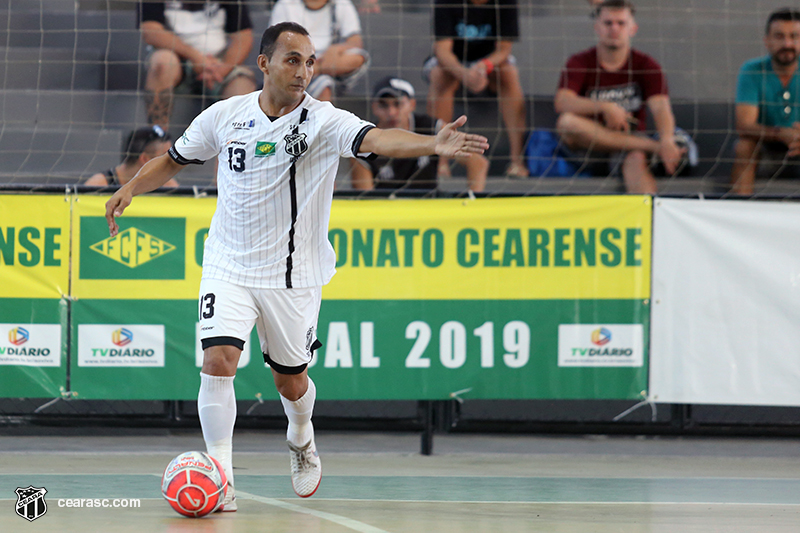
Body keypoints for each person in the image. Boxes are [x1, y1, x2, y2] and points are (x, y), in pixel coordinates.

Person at [104, 22, 487, 509]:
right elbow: (174, 159)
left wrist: (431, 144)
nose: (304, 70)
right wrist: (132, 187)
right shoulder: (225, 116)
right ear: (264, 63)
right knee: (218, 361)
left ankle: (301, 434)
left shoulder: (323, 121)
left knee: (290, 379)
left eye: (309, 61)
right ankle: (221, 476)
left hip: (292, 277)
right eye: (292, 59)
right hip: (228, 265)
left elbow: (378, 139)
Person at [554, 0, 683, 194]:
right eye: (608, 23)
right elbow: (562, 102)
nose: (614, 29)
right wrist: (606, 107)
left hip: (628, 147)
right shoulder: (579, 61)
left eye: (621, 23)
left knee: (636, 160)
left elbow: (661, 107)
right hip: (587, 149)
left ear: (633, 28)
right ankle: (652, 146)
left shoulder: (647, 65)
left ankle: (647, 220)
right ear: (597, 27)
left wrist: (666, 139)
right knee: (566, 123)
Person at [426, 0, 528, 178]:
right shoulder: (445, 3)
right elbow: (442, 51)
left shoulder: (506, 3)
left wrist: (483, 66)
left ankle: (517, 161)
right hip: (454, 64)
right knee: (440, 77)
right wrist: (464, 73)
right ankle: (438, 162)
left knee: (509, 74)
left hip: (488, 63)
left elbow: (504, 50)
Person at [351, 76, 488, 192]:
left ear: (412, 104)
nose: (391, 112)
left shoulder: (431, 127)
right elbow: (364, 196)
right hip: (389, 215)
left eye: (397, 104)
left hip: (430, 208)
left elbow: (478, 163)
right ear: (374, 107)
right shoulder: (364, 139)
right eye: (383, 105)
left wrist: (472, 205)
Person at [138, 0, 258, 129]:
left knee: (242, 84)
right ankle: (158, 137)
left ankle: (236, 143)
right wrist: (196, 57)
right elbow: (151, 31)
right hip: (177, 58)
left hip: (218, 62)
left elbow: (243, 37)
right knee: (162, 62)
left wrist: (220, 70)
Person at [731, 8, 800, 195]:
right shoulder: (752, 70)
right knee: (743, 146)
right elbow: (744, 125)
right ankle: (739, 215)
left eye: (794, 36)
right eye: (779, 36)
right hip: (766, 146)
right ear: (767, 41)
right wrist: (781, 133)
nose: (787, 43)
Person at [269, 0, 369, 101]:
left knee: (358, 57)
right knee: (323, 85)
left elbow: (355, 42)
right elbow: (277, 44)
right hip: (298, 59)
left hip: (330, 61)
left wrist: (336, 49)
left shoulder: (341, 3)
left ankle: (312, 69)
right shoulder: (285, 4)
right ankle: (309, 69)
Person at [84, 126, 178, 187]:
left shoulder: (167, 186)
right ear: (145, 159)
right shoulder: (100, 185)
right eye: (165, 157)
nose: (171, 162)